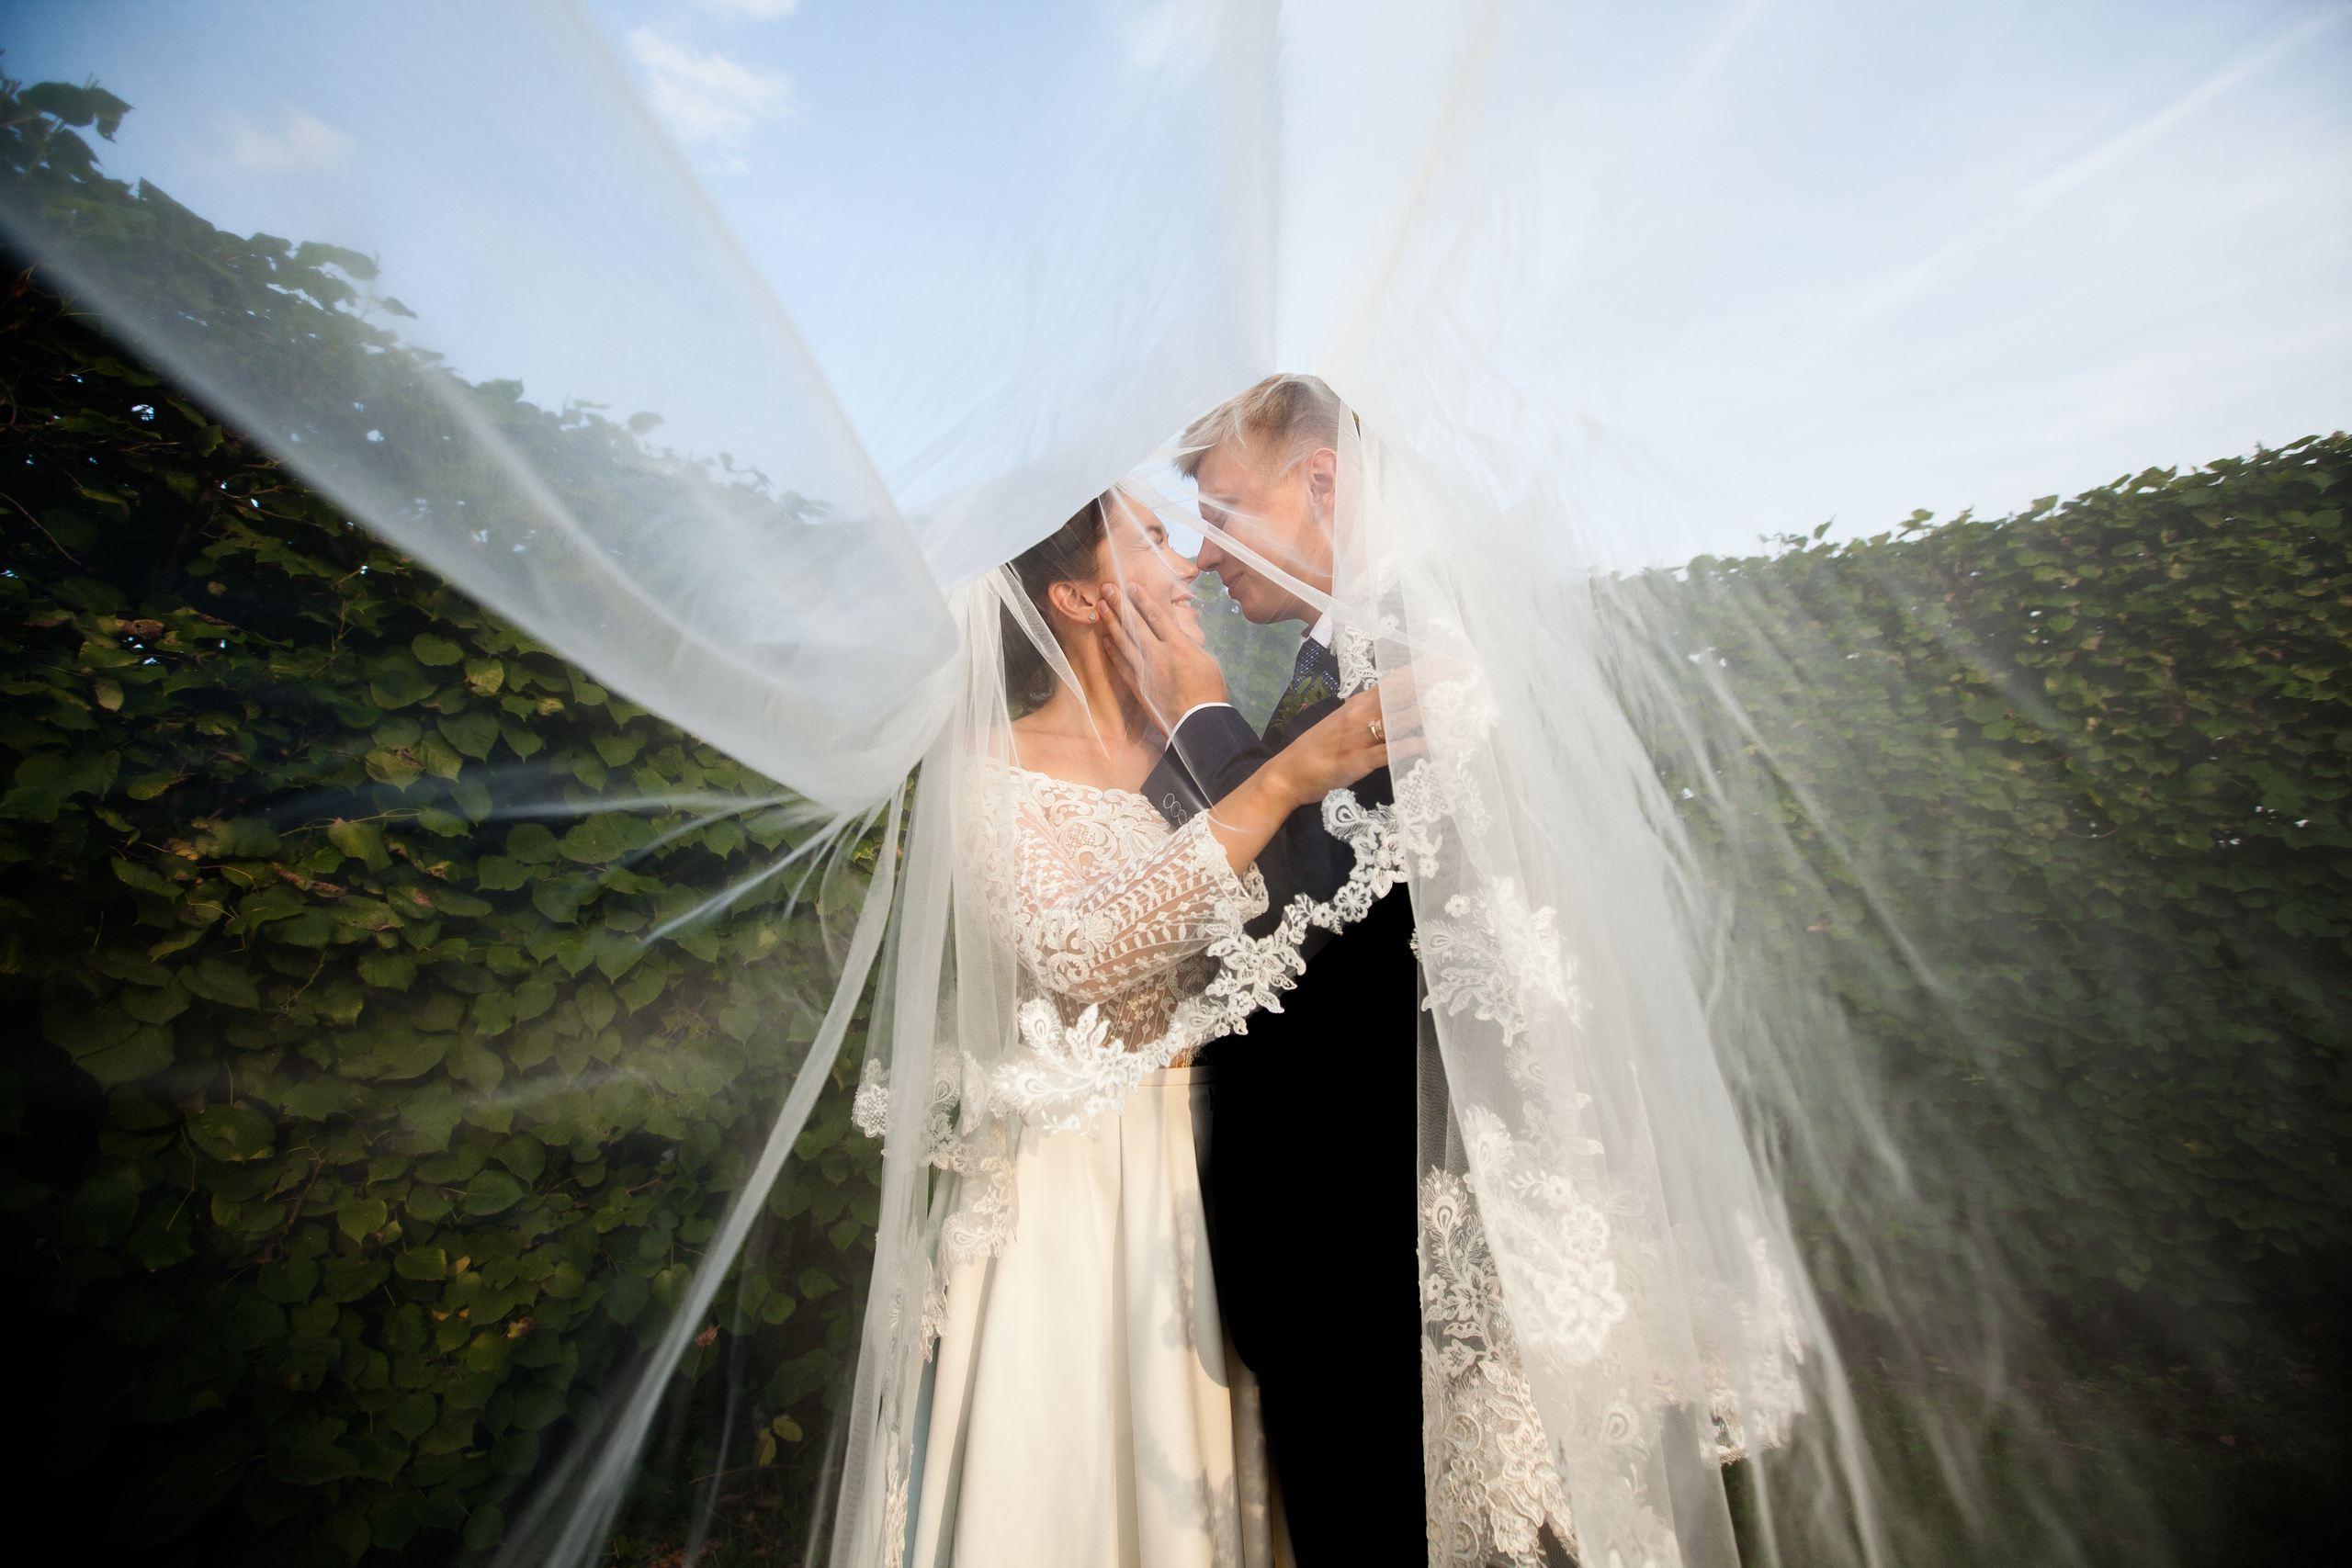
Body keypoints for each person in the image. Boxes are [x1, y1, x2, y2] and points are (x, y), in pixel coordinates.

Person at [904, 484, 1391, 1567]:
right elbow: (1078, 951)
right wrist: (1276, 788)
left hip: (1230, 1168)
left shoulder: (1202, 740)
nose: (1187, 563)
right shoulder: (987, 764)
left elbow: (1299, 917)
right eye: (1157, 537)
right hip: (1088, 1181)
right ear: (1076, 594)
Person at [1119, 375, 1430, 1557]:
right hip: (1331, 1251)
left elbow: (1310, 919)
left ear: (1320, 482)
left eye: (1222, 509)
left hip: (1359, 1248)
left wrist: (1201, 709)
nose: (1198, 555)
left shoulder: (1413, 649)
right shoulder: (1338, 650)